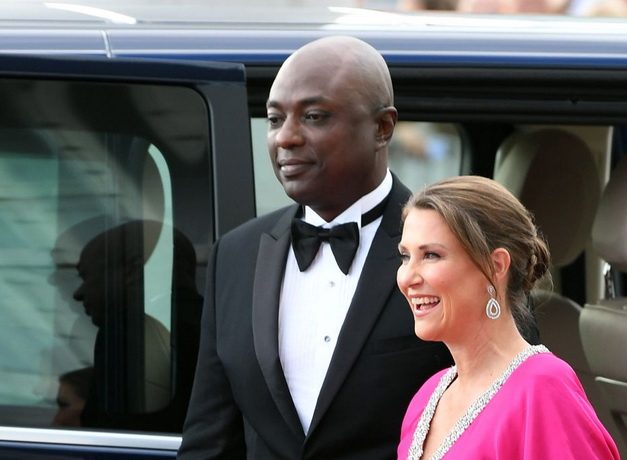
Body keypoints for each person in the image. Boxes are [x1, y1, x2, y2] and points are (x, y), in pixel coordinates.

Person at [177, 36, 453, 459]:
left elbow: (500, 417)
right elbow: (210, 440)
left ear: (382, 128)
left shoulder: (453, 250)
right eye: (274, 119)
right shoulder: (236, 256)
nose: (285, 138)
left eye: (314, 116)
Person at [396, 176, 620, 459]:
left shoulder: (544, 389)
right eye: (405, 257)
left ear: (496, 266)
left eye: (431, 255)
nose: (407, 278)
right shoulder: (427, 398)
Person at [74, 220, 202, 432]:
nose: (78, 293)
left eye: (86, 276)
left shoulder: (127, 333)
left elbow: (109, 436)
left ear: (134, 270)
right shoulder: (217, 327)